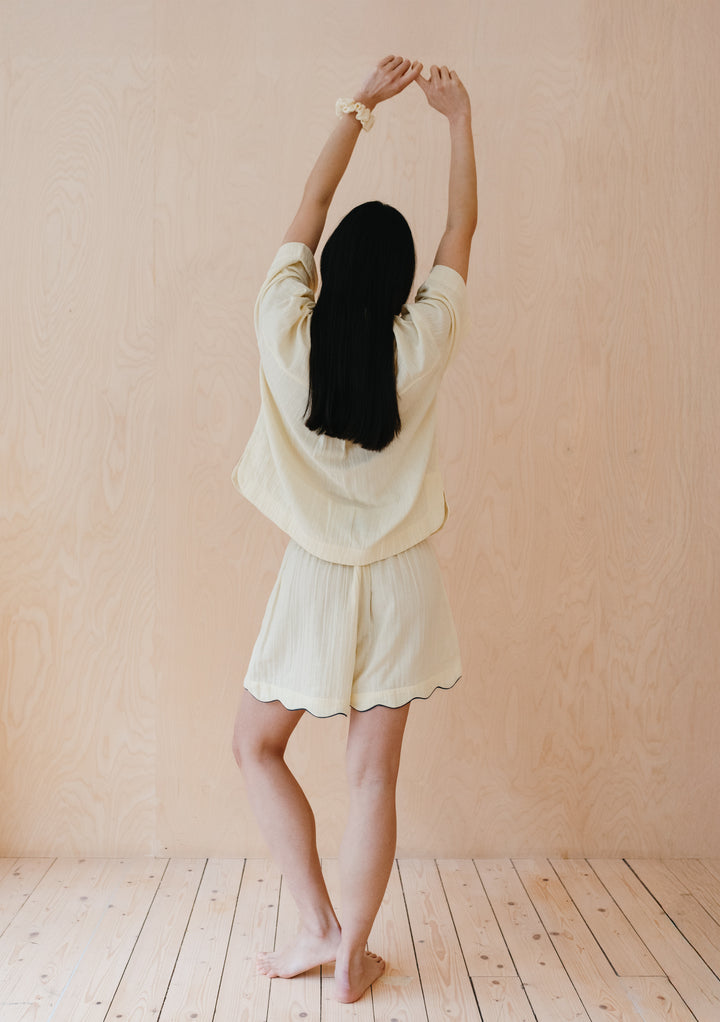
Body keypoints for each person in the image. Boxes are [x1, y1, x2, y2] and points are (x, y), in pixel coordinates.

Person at [231, 54, 477, 1004]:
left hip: (315, 579)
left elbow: (312, 197)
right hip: (404, 579)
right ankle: (349, 957)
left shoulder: (283, 332)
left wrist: (361, 107)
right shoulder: (421, 343)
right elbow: (462, 229)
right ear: (404, 285)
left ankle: (320, 930)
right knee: (372, 778)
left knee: (256, 744)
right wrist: (457, 121)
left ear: (329, 271)